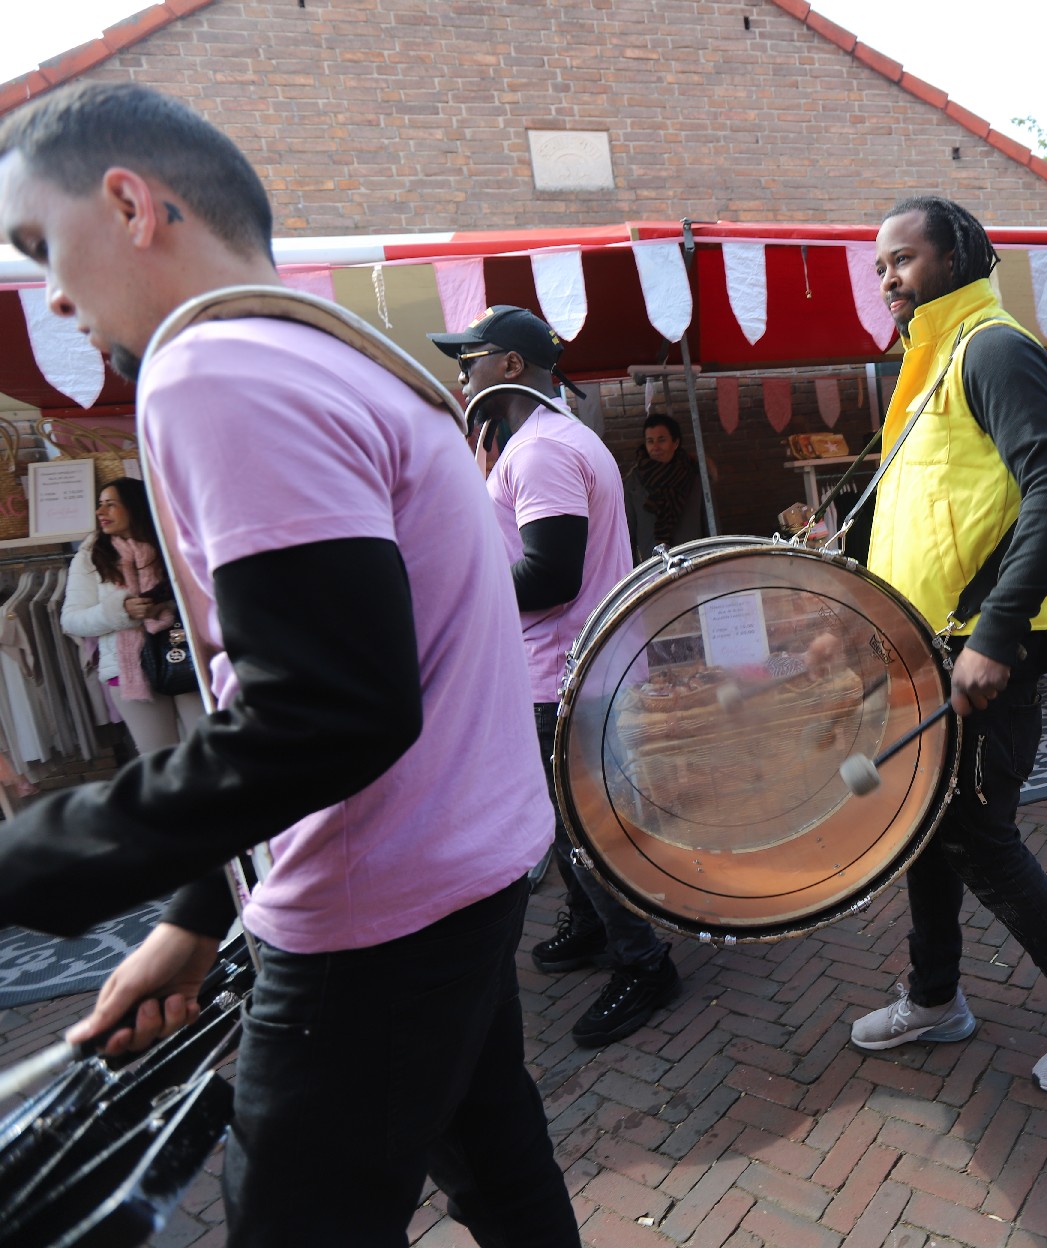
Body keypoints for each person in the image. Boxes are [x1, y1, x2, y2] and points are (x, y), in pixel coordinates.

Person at [0, 84, 579, 1245]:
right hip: (461, 877)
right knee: (502, 1173)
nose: (53, 294)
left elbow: (326, 709)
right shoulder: (349, 360)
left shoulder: (217, 372)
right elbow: (332, 674)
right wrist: (197, 909)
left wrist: (26, 862)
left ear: (130, 204)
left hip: (371, 917)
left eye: (42, 245)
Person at [849, 195, 1047, 1095]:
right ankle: (935, 997)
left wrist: (998, 632)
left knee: (980, 840)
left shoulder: (992, 348)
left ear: (958, 256)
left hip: (977, 653)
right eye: (880, 266)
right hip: (922, 648)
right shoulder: (928, 363)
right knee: (925, 830)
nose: (888, 278)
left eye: (903, 259)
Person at [428, 305, 682, 1049]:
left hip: (563, 672)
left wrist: (457, 585)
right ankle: (596, 926)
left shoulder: (540, 450)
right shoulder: (550, 438)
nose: (461, 374)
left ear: (510, 365)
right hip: (572, 665)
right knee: (571, 822)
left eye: (470, 358)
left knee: (582, 828)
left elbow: (550, 575)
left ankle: (645, 963)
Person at [60, 475, 206, 752]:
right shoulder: (92, 555)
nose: (100, 512)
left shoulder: (174, 545)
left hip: (185, 657)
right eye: (100, 504)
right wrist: (120, 611)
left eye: (110, 504)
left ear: (136, 507)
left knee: (209, 754)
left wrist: (167, 606)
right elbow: (71, 620)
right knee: (159, 759)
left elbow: (204, 596)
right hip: (129, 671)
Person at [624, 412, 707, 564]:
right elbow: (628, 536)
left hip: (694, 562)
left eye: (661, 440)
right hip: (655, 567)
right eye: (650, 441)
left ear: (675, 443)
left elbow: (710, 525)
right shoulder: (634, 483)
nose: (655, 447)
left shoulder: (694, 478)